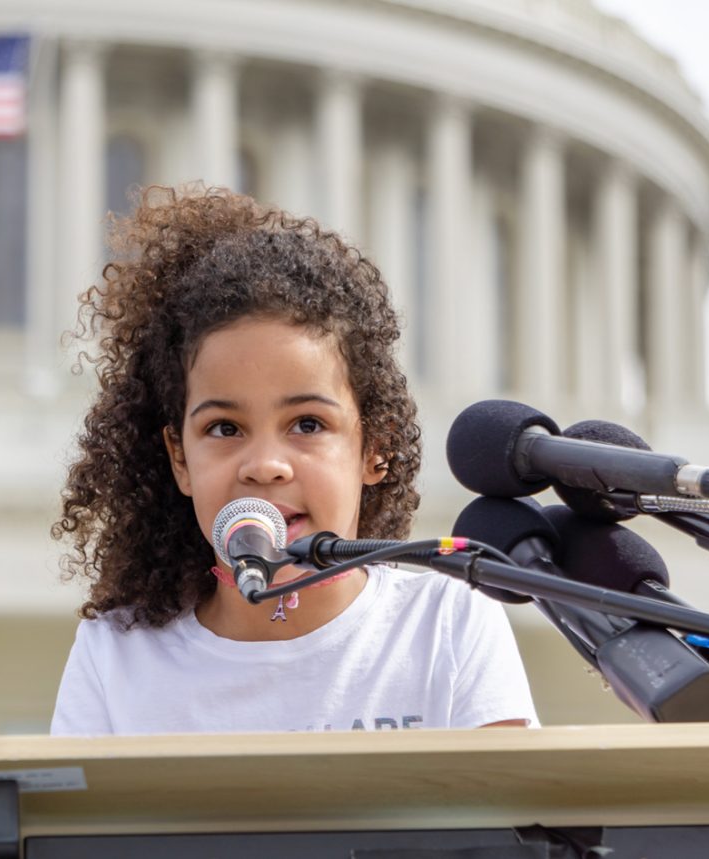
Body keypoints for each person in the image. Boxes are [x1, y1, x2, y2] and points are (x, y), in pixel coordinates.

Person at [49, 184, 537, 735]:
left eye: (307, 424)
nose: (265, 465)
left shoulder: (448, 623)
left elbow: (513, 818)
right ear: (179, 459)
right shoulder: (115, 658)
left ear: (375, 447)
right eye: (224, 428)